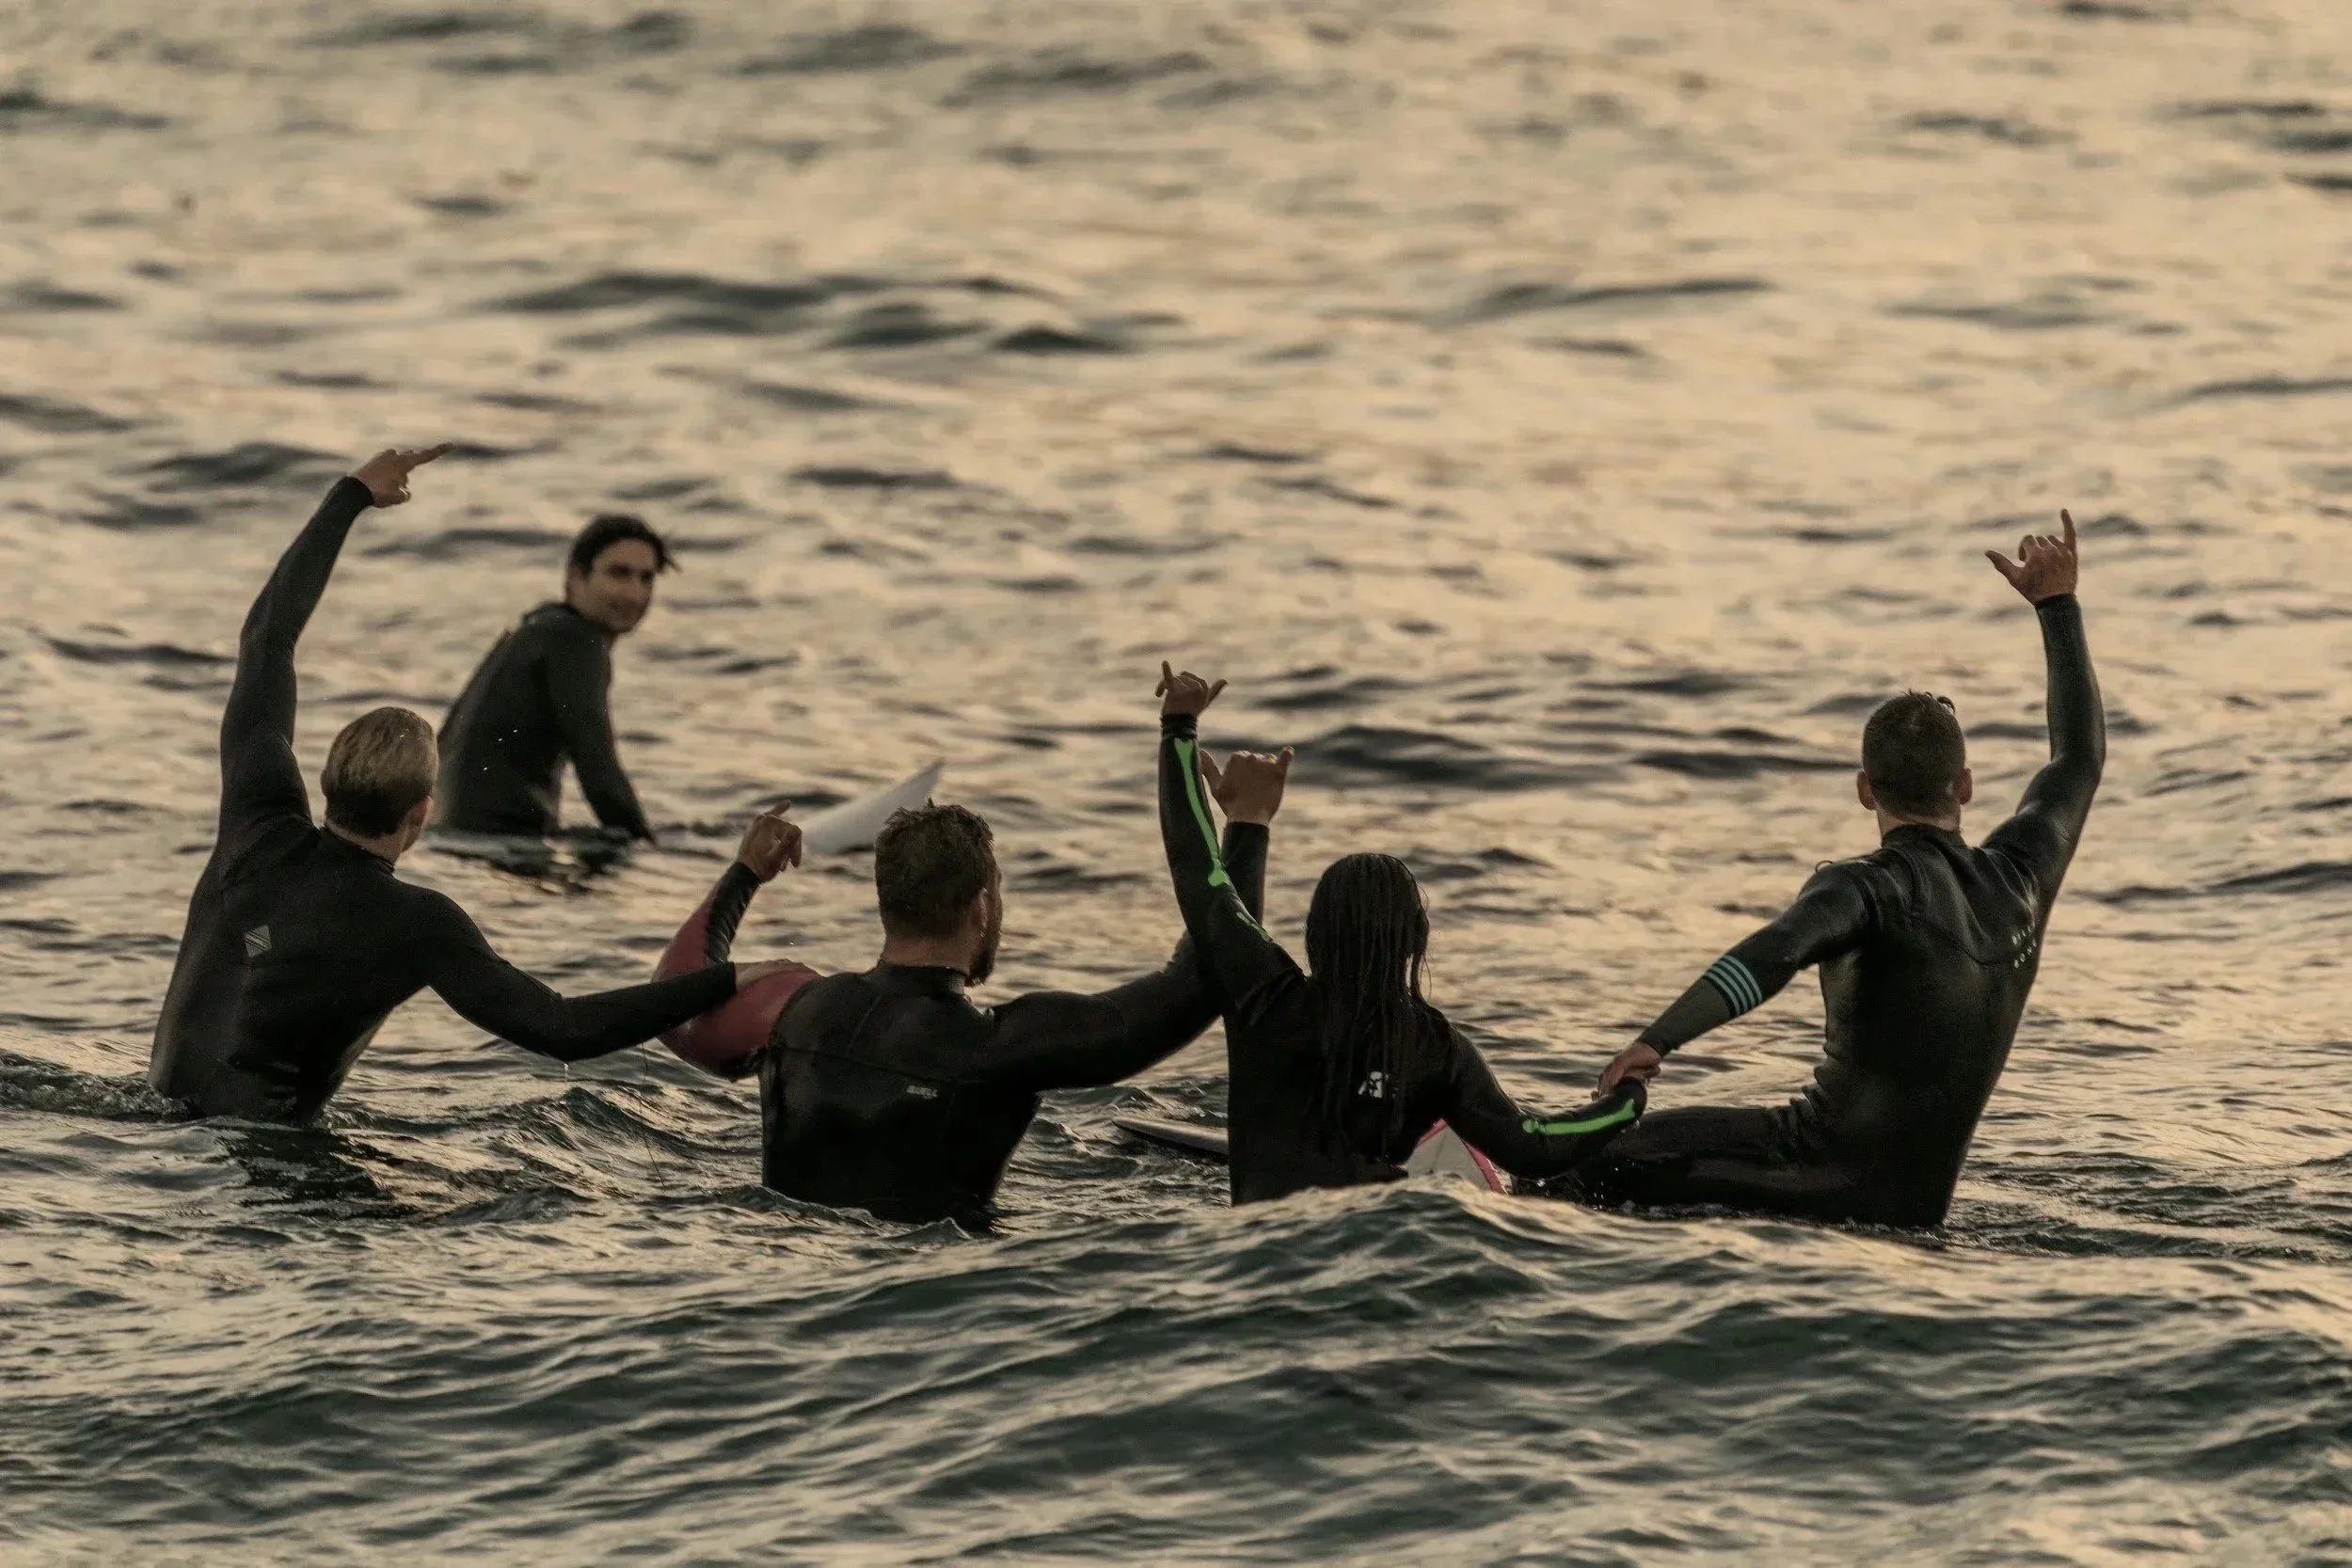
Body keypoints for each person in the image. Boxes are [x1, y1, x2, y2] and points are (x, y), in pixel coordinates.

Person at [147, 449, 796, 1123]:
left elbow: (267, 638)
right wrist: (723, 978)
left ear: (325, 779)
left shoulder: (255, 820)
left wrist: (351, 496)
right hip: (266, 1160)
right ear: (421, 814)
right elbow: (563, 1027)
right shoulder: (418, 923)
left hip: (157, 1126)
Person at [1581, 512, 2104, 1227]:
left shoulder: (1864, 886)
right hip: (1917, 1212)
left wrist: (1656, 1039)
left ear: (1866, 789)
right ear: (1967, 786)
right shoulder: (2022, 879)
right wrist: (2058, 605)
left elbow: (1773, 953)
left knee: (1598, 1159)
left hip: (1815, 1174)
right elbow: (2077, 759)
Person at [648, 797, 1269, 1227]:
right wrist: (1246, 824)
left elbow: (675, 992)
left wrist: (746, 873)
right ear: (980, 905)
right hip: (936, 1308)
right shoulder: (996, 1049)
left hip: (781, 1267)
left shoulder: (794, 1007)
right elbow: (1201, 979)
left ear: (886, 900)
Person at [1153, 664, 1645, 1205]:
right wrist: (1626, 1098)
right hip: (1387, 1237)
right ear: (1416, 940)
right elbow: (1535, 1146)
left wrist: (1180, 730)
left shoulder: (1265, 998)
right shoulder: (1436, 1048)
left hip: (1262, 1238)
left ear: (1315, 931)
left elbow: (1200, 873)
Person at [434, 513, 673, 840]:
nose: (635, 594)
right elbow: (599, 773)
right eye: (619, 574)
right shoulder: (575, 640)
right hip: (497, 841)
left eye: (646, 579)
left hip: (450, 833)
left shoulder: (537, 630)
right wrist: (650, 848)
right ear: (575, 578)